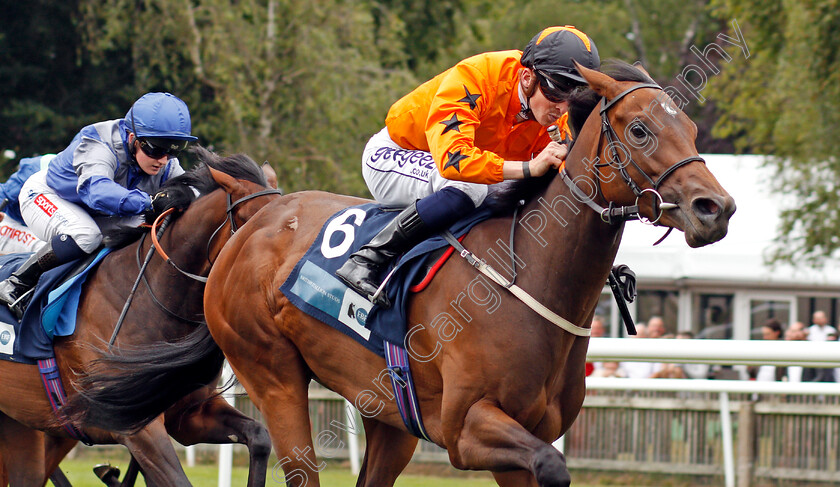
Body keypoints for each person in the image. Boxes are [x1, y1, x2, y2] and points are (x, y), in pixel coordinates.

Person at [335, 26, 600, 304]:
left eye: (574, 95)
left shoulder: (551, 117)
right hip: (394, 154)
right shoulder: (477, 76)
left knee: (520, 197)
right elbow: (454, 161)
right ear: (527, 77)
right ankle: (367, 259)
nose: (563, 108)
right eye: (558, 92)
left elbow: (560, 187)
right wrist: (527, 168)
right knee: (473, 188)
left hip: (450, 172)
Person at [0, 92, 197, 316]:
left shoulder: (166, 164)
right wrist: (150, 201)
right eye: (156, 149)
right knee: (86, 234)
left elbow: (193, 193)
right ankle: (16, 284)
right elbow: (98, 192)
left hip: (95, 212)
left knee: (146, 230)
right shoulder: (99, 143)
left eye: (173, 150)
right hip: (47, 196)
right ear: (132, 137)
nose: (163, 160)